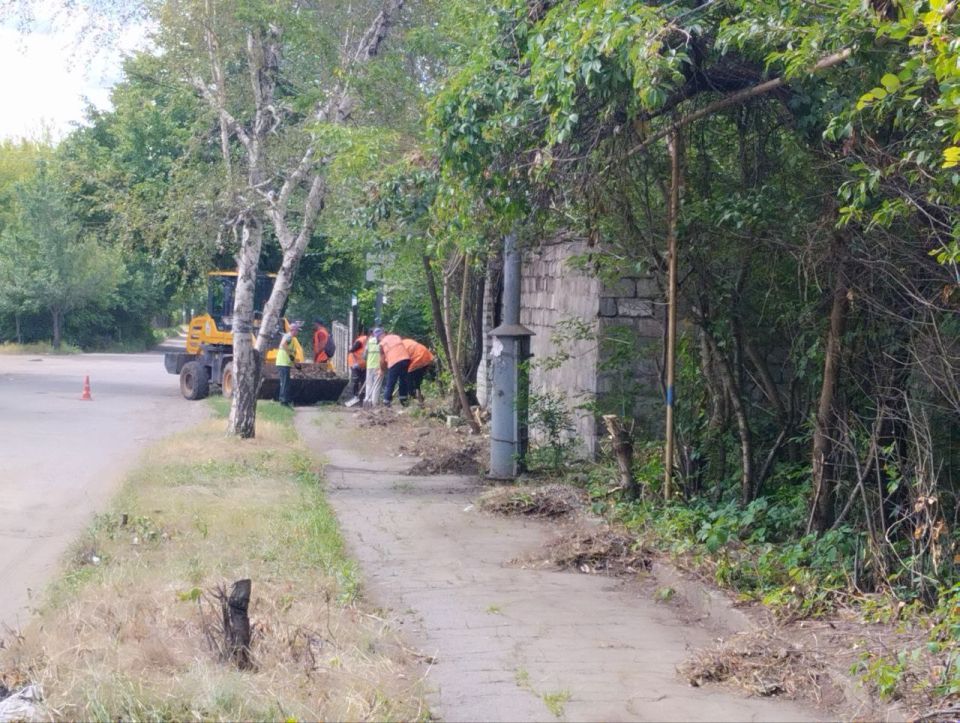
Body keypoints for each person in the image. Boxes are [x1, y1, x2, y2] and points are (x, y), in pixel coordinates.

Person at [374, 328, 410, 407]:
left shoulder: (382, 344)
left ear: (379, 337)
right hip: (405, 359)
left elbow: (382, 360)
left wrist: (382, 370)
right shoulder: (396, 336)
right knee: (403, 380)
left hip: (394, 362)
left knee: (391, 381)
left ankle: (386, 401)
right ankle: (404, 400)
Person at [276, 320, 302, 407]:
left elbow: (291, 353)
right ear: (293, 330)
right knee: (284, 382)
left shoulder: (291, 338)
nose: (298, 332)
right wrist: (290, 355)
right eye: (297, 330)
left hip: (285, 363)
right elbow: (284, 345)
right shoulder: (289, 337)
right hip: (283, 363)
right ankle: (283, 401)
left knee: (285, 382)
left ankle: (285, 399)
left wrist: (296, 364)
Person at [401, 338, 435, 403]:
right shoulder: (406, 341)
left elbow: (404, 361)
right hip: (427, 356)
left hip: (418, 358)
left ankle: (413, 395)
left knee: (408, 378)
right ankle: (419, 398)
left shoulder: (400, 347)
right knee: (417, 380)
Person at [347, 329, 368, 400]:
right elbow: (351, 351)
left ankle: (361, 397)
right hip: (355, 363)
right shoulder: (362, 340)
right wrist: (356, 362)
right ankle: (354, 396)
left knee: (364, 381)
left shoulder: (374, 342)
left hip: (363, 365)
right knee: (356, 380)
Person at [364, 330, 383, 407]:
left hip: (369, 365)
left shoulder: (369, 341)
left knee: (369, 384)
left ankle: (366, 399)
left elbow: (365, 355)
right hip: (379, 366)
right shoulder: (382, 342)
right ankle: (374, 402)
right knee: (377, 385)